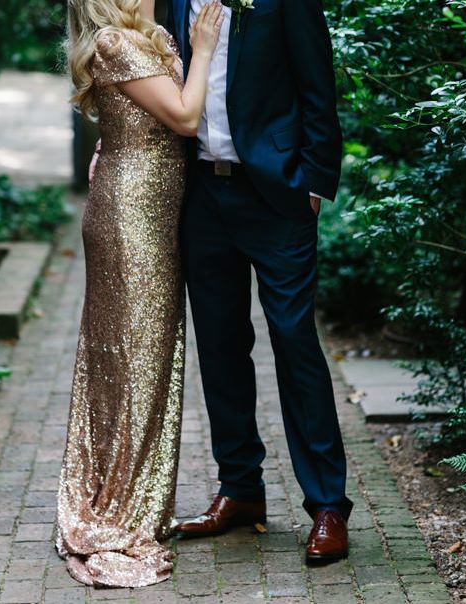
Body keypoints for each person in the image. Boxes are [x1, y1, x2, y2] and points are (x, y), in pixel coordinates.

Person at [165, 0, 354, 564]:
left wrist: (315, 181)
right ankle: (241, 488)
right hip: (201, 192)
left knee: (294, 341)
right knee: (220, 346)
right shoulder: (171, 1)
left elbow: (318, 85)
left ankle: (326, 505)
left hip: (277, 195)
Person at [55, 0, 223, 588]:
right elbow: (184, 118)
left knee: (141, 360)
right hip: (132, 220)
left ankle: (129, 493)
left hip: (148, 213)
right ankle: (124, 507)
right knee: (137, 363)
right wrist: (202, 50)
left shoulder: (141, 38)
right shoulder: (116, 44)